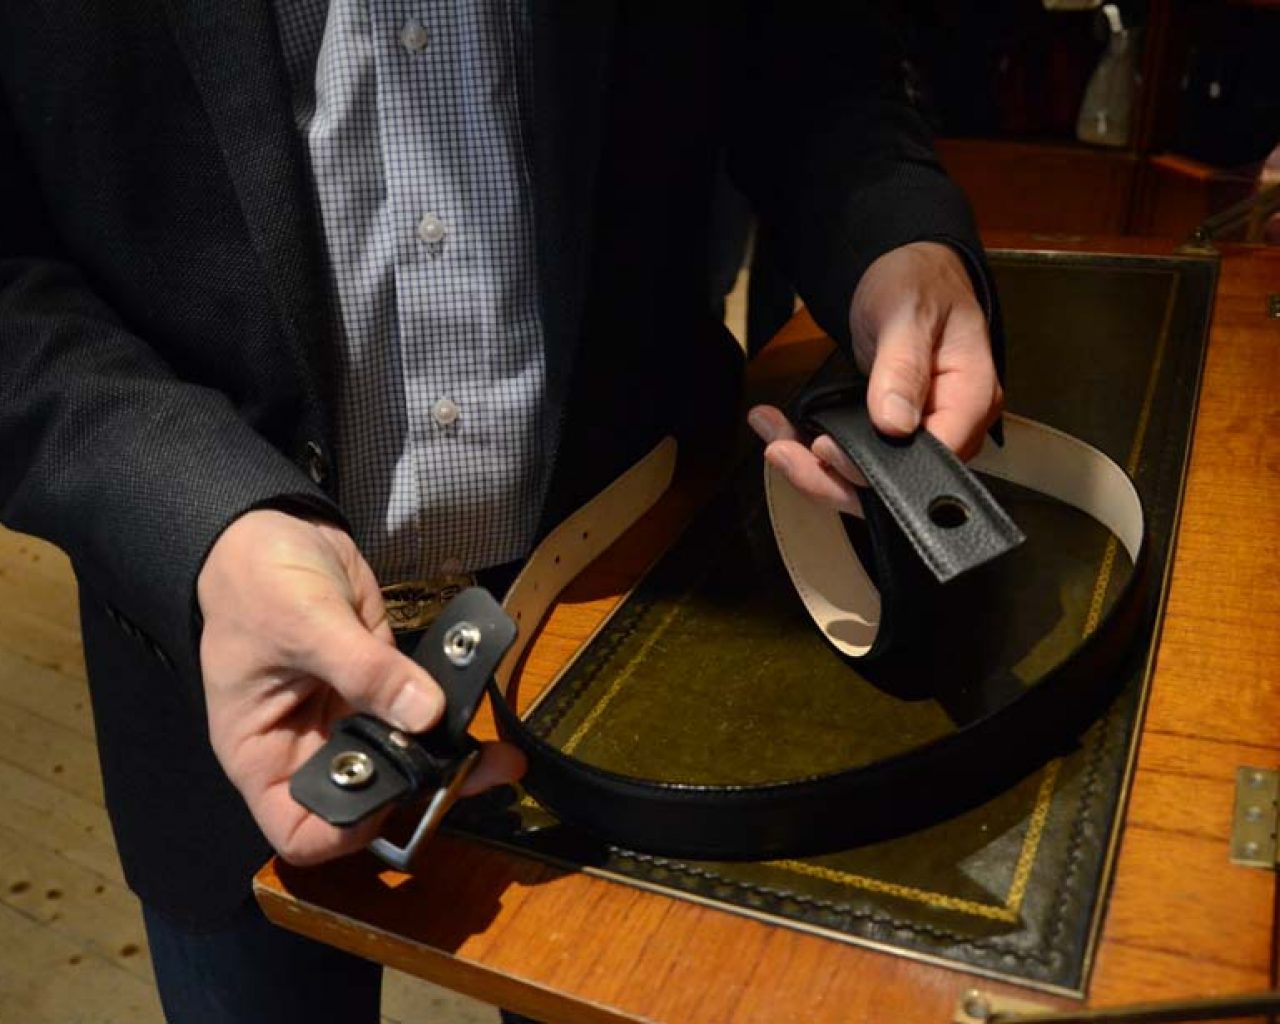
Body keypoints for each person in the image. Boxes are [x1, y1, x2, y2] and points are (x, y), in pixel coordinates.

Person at [0, 3, 1002, 1021]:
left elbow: (805, 66)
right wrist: (201, 520)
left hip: (628, 625)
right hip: (220, 666)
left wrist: (894, 238)